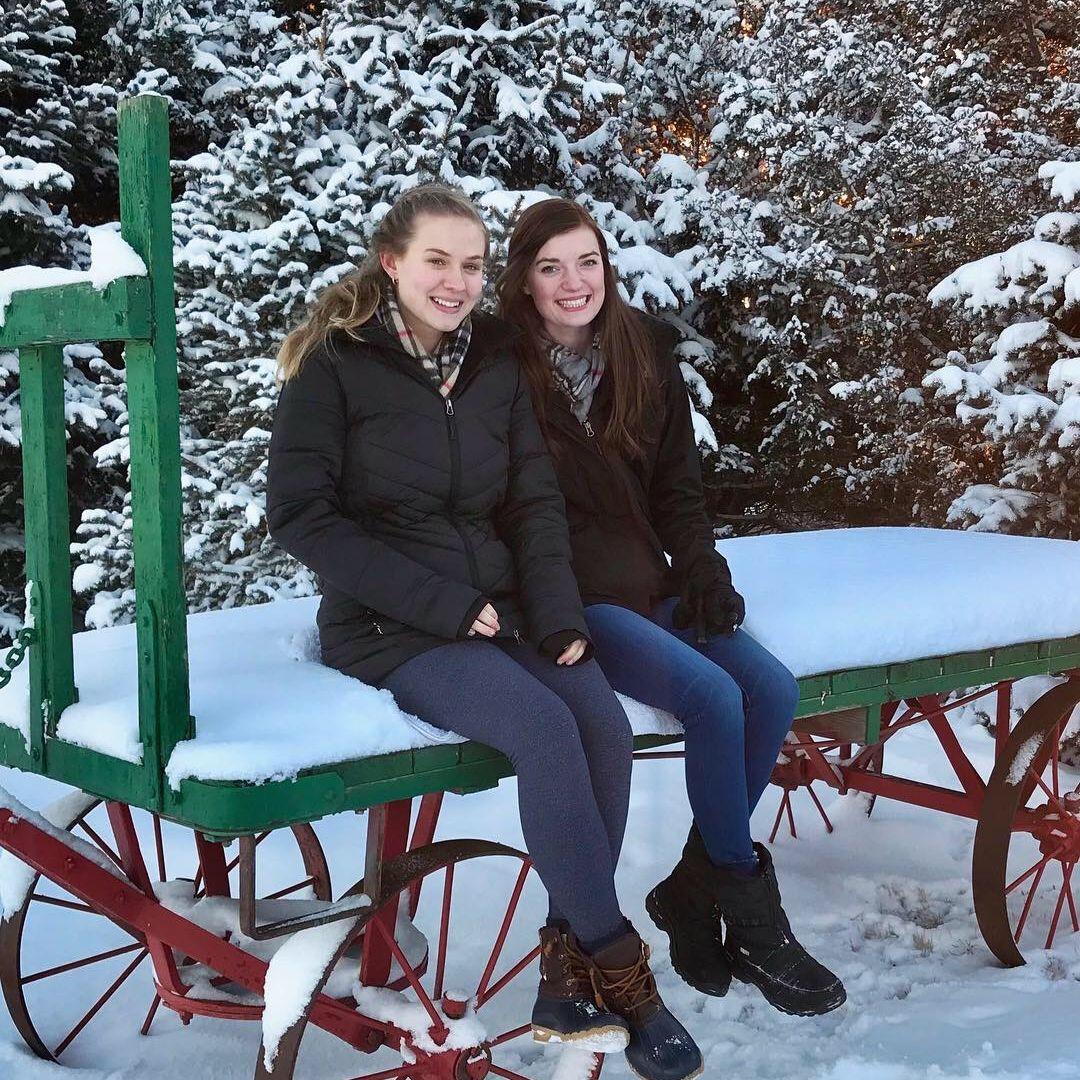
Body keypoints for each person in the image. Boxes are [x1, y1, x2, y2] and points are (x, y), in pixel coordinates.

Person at [266, 184, 703, 1080]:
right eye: (438, 261)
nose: (456, 282)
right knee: (543, 729)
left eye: (471, 265)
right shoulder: (337, 365)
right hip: (393, 625)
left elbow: (533, 502)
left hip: (503, 610)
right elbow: (301, 517)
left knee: (602, 724)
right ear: (393, 262)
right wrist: (442, 604)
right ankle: (623, 972)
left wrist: (558, 614)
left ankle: (563, 971)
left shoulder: (495, 358)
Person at [497, 197, 846, 1018]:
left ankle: (694, 886)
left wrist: (703, 574)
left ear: (606, 267)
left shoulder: (642, 350)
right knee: (712, 696)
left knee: (771, 688)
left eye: (587, 262)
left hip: (647, 579)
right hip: (567, 595)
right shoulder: (500, 367)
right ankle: (748, 911)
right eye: (550, 267)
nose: (573, 282)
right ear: (524, 280)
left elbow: (677, 491)